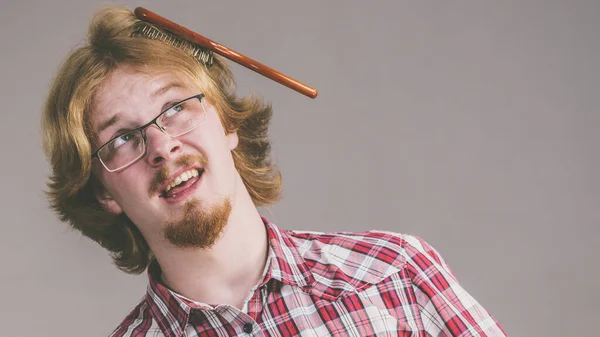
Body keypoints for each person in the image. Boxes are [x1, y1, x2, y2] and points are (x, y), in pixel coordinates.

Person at [42, 6, 508, 337]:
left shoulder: (394, 274)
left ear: (228, 123)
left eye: (177, 107)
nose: (162, 146)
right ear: (103, 192)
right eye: (122, 138)